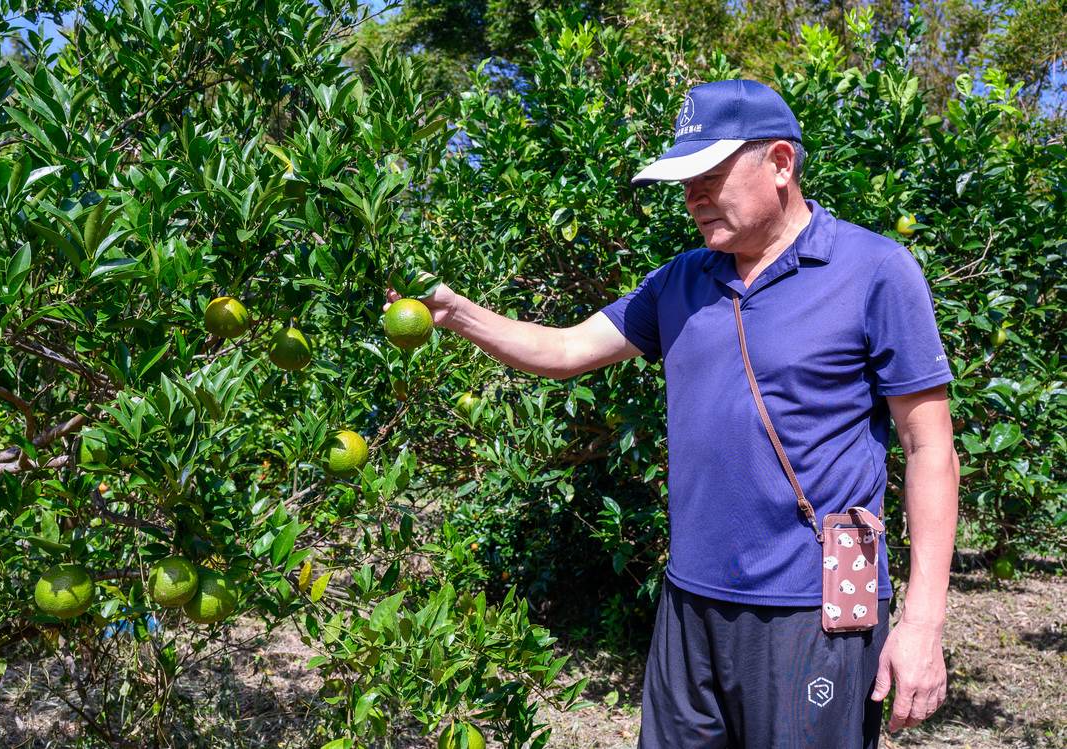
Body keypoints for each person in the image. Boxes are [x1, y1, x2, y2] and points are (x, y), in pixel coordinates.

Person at [385, 78, 959, 748]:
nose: (692, 197)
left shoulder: (875, 271)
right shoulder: (681, 279)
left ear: (779, 162)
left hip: (815, 608)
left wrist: (922, 621)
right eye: (684, 181)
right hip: (691, 600)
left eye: (709, 175)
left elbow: (930, 451)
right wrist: (458, 314)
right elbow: (567, 348)